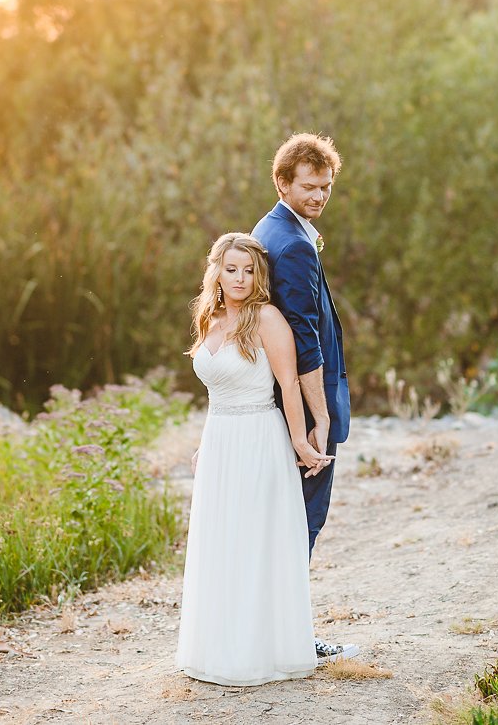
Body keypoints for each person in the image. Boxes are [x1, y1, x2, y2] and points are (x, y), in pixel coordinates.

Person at [175, 232, 333, 687]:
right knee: (221, 541)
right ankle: (217, 648)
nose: (240, 278)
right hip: (221, 438)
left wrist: (301, 441)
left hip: (259, 438)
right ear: (217, 273)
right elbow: (216, 389)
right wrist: (206, 443)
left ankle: (260, 652)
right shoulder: (209, 318)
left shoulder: (268, 319)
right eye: (231, 269)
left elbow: (288, 386)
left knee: (252, 541)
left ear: (258, 275)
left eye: (249, 270)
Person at [252, 132, 359, 664]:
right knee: (303, 523)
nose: (319, 197)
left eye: (327, 187)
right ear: (282, 183)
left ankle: (275, 630)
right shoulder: (291, 243)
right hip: (306, 405)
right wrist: (319, 418)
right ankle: (291, 637)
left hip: (277, 403)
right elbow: (304, 337)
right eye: (310, 188)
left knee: (286, 522)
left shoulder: (274, 229)